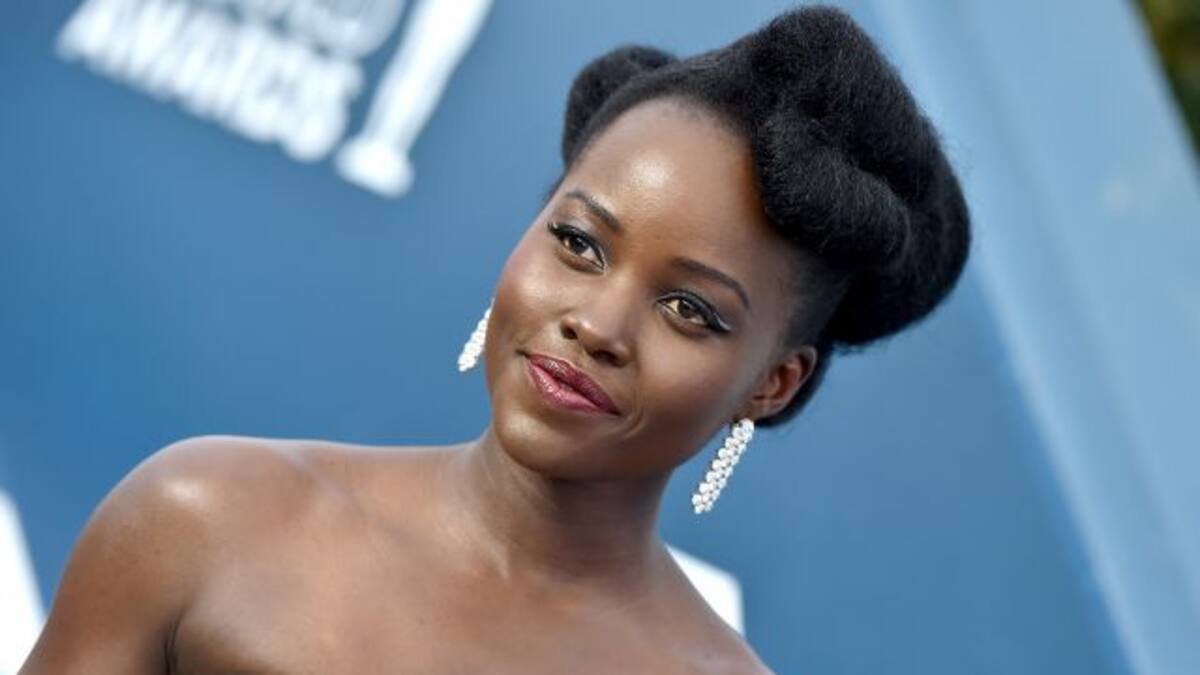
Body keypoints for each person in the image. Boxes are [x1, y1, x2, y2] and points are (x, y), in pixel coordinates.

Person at [20, 6, 970, 673]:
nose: (596, 324)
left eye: (690, 309)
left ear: (773, 382)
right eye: (579, 244)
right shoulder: (204, 517)